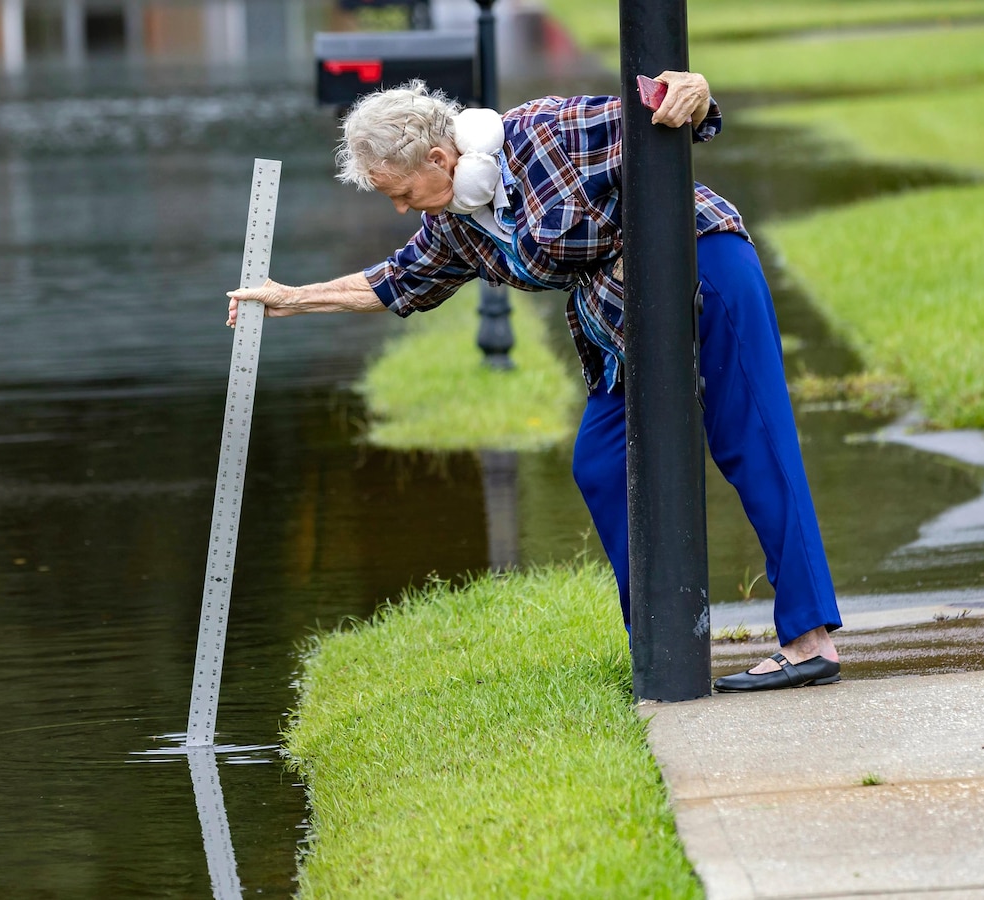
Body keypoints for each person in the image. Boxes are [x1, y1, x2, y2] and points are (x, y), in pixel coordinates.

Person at [227, 75, 842, 692]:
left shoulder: (550, 130)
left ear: (441, 160)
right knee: (601, 464)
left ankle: (809, 641)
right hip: (623, 321)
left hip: (704, 267)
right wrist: (290, 300)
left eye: (403, 192)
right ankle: (664, 644)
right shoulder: (459, 223)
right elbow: (394, 281)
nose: (400, 209)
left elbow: (668, 118)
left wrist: (693, 92)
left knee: (751, 440)